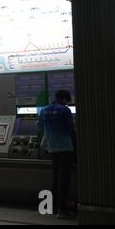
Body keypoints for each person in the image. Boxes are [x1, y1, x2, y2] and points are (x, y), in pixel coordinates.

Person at [38, 90, 76, 219]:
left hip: (52, 148)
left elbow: (41, 127)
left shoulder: (44, 110)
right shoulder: (64, 110)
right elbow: (70, 129)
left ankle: (52, 207)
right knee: (64, 179)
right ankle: (62, 209)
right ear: (65, 99)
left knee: (56, 177)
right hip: (65, 148)